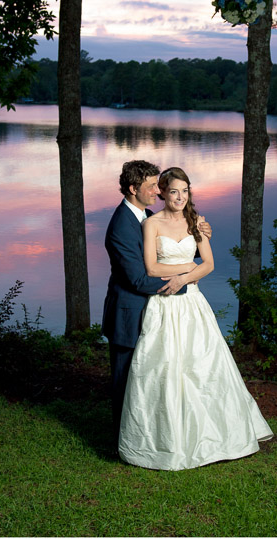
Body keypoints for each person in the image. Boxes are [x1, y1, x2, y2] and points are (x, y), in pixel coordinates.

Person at [118, 166, 273, 470]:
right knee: (163, 367)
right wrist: (183, 272)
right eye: (173, 191)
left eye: (185, 191)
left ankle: (215, 435)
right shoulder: (151, 224)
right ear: (162, 192)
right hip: (164, 304)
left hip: (191, 302)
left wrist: (184, 279)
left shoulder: (196, 222)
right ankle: (167, 440)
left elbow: (210, 264)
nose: (179, 197)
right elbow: (150, 268)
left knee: (203, 364)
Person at [103, 160, 209, 451]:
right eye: (152, 186)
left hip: (153, 312)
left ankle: (148, 437)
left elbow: (167, 245)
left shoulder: (145, 216)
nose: (159, 191)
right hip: (129, 313)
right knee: (125, 382)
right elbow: (138, 279)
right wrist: (184, 283)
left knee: (147, 379)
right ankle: (121, 445)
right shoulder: (121, 227)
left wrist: (197, 231)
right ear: (133, 188)